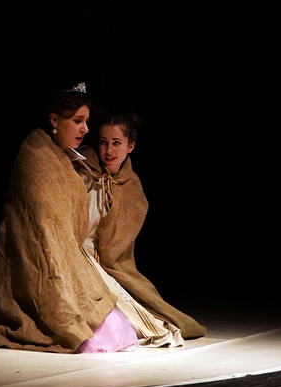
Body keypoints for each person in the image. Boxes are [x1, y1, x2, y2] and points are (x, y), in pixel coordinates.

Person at [0, 84, 138, 353]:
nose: (85, 129)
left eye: (86, 122)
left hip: (68, 255)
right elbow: (39, 225)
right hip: (32, 261)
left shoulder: (68, 159)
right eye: (77, 121)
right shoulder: (36, 158)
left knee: (113, 322)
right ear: (54, 120)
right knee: (83, 324)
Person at [75, 113, 207, 346]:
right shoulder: (81, 171)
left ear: (130, 146)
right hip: (75, 254)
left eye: (116, 143)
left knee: (140, 316)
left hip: (102, 263)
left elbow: (118, 246)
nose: (109, 150)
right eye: (104, 142)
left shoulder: (131, 187)